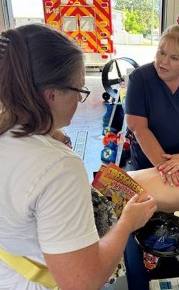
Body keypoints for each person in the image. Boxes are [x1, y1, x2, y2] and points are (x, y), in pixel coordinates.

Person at [0, 24, 157, 289]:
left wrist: (48, 132)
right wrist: (127, 223)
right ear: (51, 95)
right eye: (79, 91)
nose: (79, 100)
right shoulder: (59, 167)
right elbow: (82, 281)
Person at [125, 24, 179, 187]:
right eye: (161, 52)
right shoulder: (139, 79)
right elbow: (138, 127)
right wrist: (165, 168)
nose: (163, 62)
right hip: (148, 165)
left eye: (174, 58)